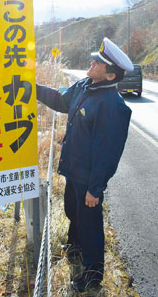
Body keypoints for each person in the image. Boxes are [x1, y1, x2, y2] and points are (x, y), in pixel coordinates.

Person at [36, 38, 133, 292]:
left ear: (110, 74)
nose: (92, 62)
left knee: (91, 225)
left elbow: (108, 154)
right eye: (95, 58)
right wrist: (31, 88)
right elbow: (60, 100)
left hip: (89, 179)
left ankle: (92, 276)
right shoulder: (85, 86)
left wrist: (95, 188)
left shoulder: (113, 106)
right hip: (73, 170)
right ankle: (75, 245)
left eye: (98, 62)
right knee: (72, 211)